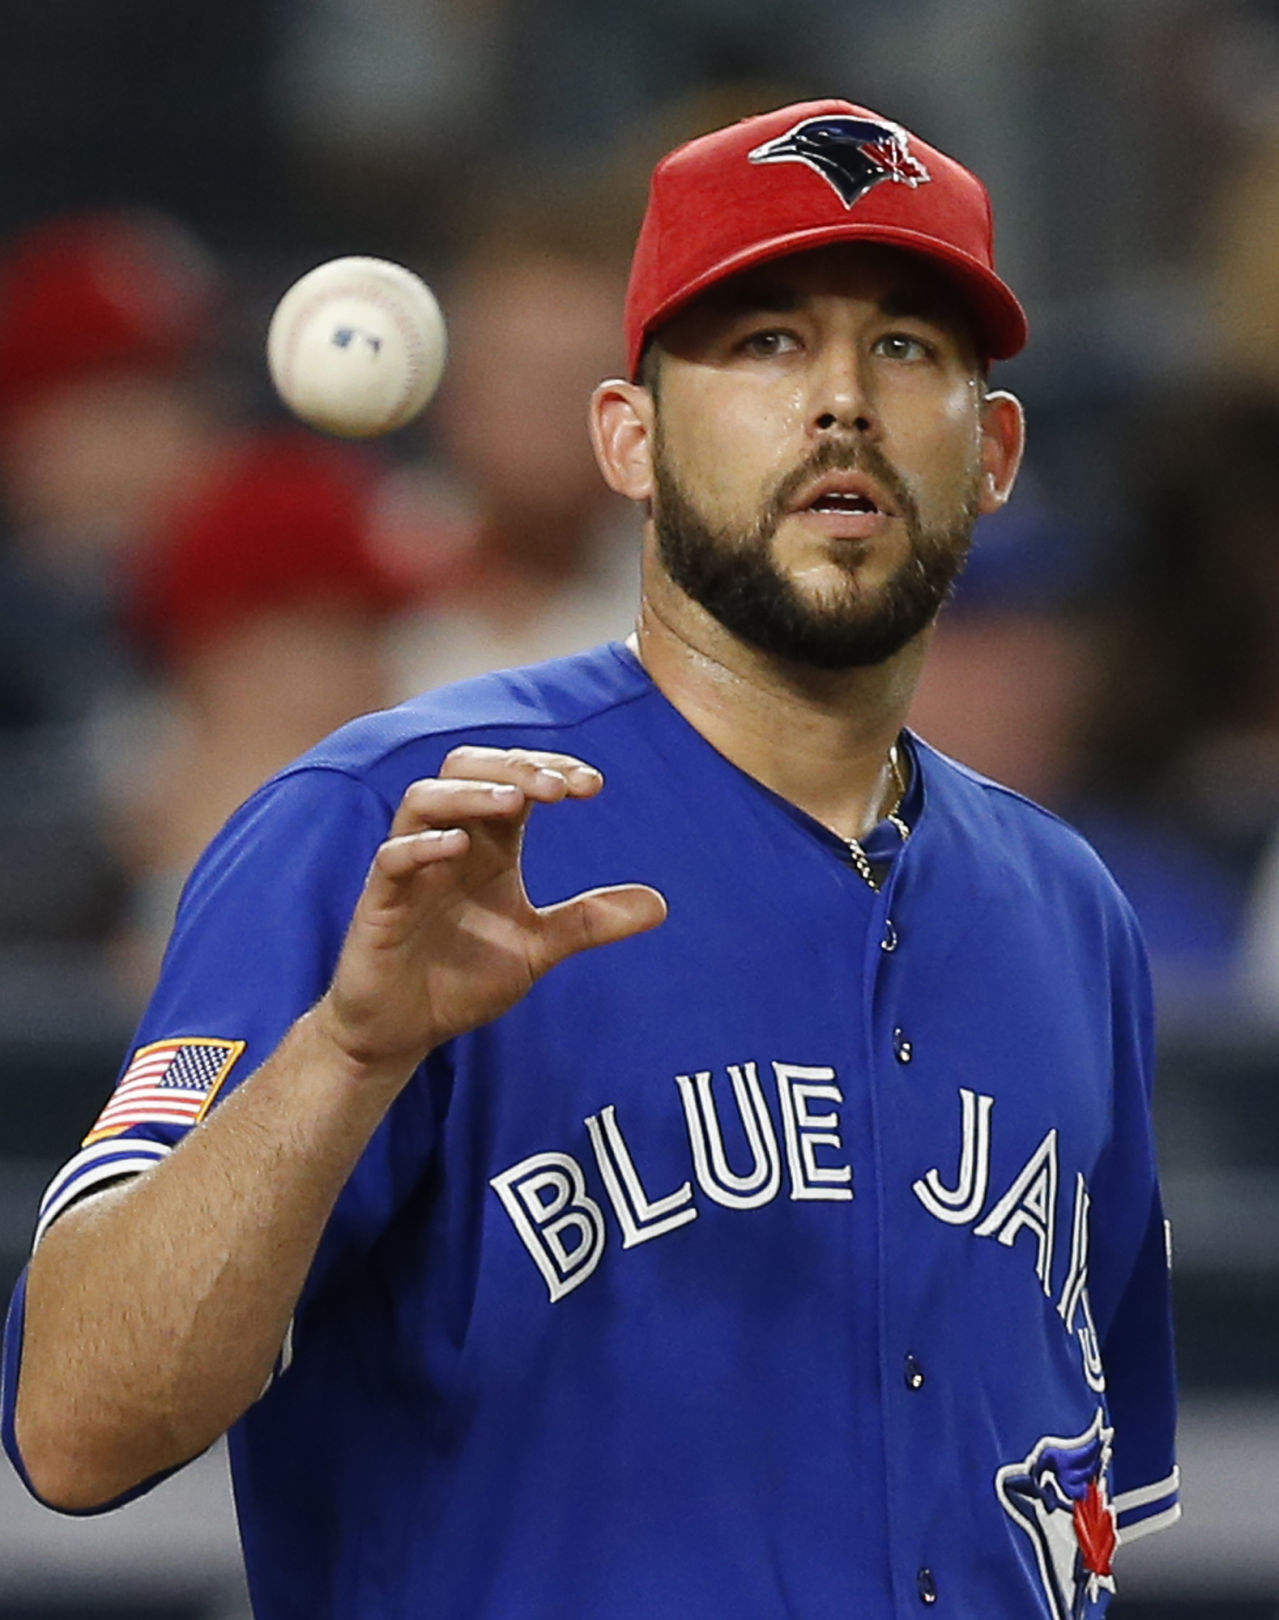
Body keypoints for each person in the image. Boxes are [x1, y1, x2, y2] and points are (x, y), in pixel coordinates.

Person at [3, 101, 1179, 1619]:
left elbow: (1085, 1509)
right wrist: (349, 1054)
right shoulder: (395, 821)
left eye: (905, 347)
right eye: (765, 342)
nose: (842, 401)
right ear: (630, 436)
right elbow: (73, 1426)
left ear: (995, 450)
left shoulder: (1070, 915)